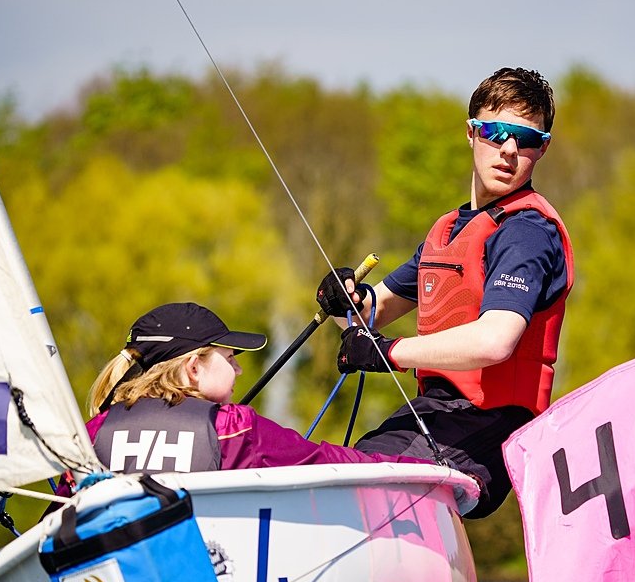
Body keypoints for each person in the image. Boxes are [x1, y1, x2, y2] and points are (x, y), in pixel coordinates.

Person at [316, 67, 574, 518]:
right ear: (471, 133)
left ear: (543, 148)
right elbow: (366, 319)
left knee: (358, 473)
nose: (510, 150)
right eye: (496, 132)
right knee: (334, 464)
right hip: (435, 410)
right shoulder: (448, 230)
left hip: (491, 423)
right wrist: (343, 302)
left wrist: (390, 353)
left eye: (526, 139)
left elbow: (496, 340)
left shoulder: (527, 233)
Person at [85, 301, 436, 473]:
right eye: (229, 357)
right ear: (193, 368)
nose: (238, 369)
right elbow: (328, 462)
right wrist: (419, 469)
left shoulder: (91, 433)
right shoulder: (233, 428)